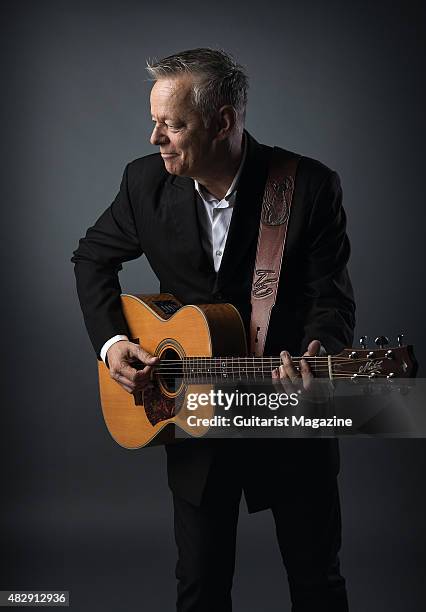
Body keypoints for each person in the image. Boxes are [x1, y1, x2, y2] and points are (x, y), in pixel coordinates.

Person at [72, 48, 355, 612]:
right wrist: (112, 344)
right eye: (154, 121)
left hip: (287, 410)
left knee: (315, 581)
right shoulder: (143, 183)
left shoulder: (309, 187)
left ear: (224, 121)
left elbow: (332, 299)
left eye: (173, 125)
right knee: (199, 588)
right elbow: (90, 258)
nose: (155, 138)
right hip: (193, 417)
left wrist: (322, 350)